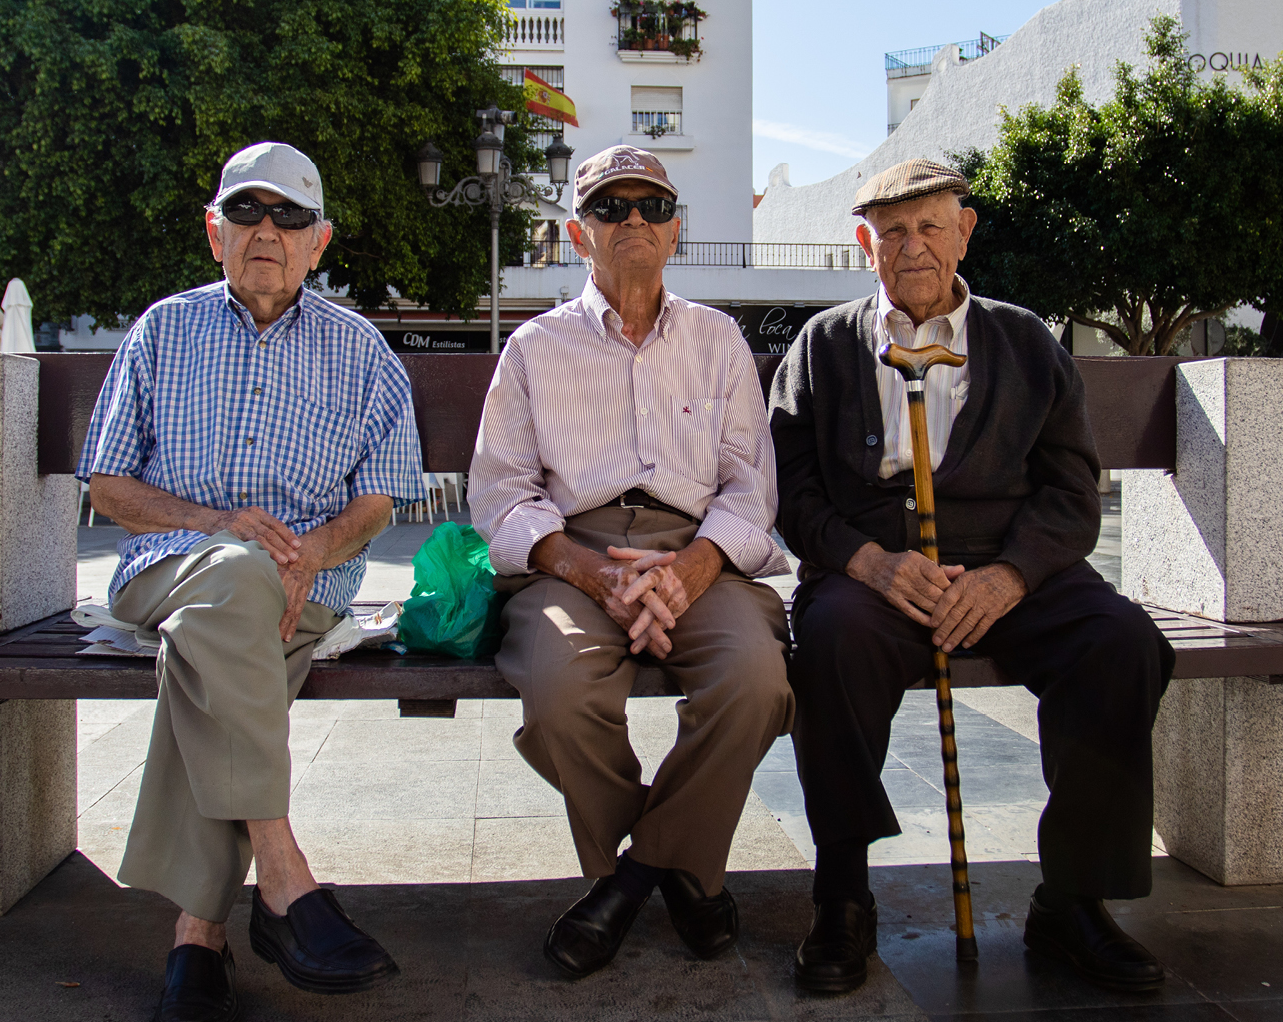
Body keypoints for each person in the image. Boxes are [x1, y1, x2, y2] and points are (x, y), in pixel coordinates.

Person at [769, 159, 1174, 994]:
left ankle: (1073, 899)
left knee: (1120, 642)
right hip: (874, 570)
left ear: (965, 229)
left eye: (929, 226)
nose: (912, 247)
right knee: (833, 644)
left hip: (1011, 565)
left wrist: (1012, 577)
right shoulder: (823, 345)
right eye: (891, 233)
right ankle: (842, 894)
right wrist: (870, 562)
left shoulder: (1024, 339)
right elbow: (791, 491)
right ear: (864, 246)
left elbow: (1070, 492)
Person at [77, 142, 423, 1021]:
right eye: (247, 213)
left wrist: (305, 553)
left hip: (307, 585)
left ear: (320, 241)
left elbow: (380, 503)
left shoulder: (364, 351)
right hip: (169, 566)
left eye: (290, 218)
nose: (266, 231)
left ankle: (197, 943)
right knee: (231, 584)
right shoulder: (163, 329)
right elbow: (109, 488)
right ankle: (283, 873)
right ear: (214, 231)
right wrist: (215, 525)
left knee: (215, 653)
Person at [469, 145, 794, 979]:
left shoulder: (719, 340)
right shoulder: (535, 347)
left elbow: (751, 484)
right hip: (574, 555)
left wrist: (695, 566)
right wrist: (589, 571)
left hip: (701, 553)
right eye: (612, 207)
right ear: (581, 233)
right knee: (561, 692)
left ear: (677, 228)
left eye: (652, 204)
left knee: (756, 682)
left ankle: (633, 876)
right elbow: (501, 494)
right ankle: (683, 869)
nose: (634, 220)